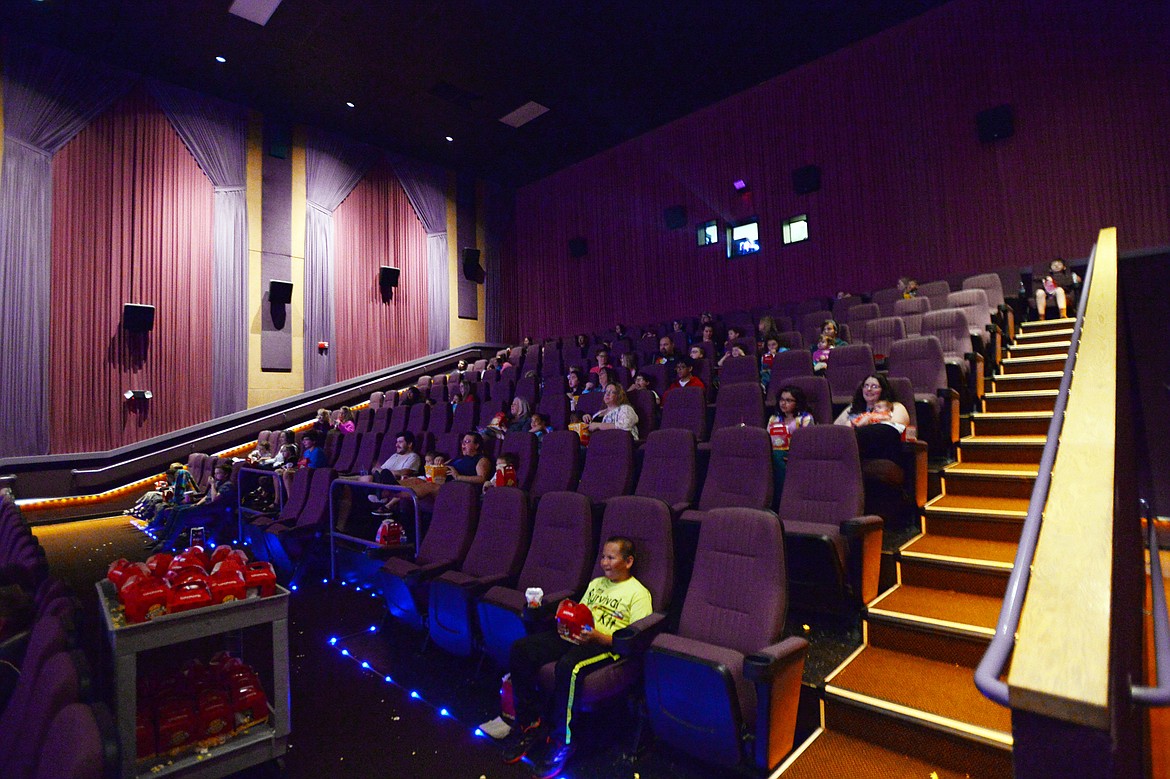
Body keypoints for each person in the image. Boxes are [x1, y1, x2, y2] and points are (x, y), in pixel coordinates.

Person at [500, 537, 653, 777]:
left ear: (628, 561)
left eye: (611, 558)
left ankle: (564, 741)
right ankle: (529, 723)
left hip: (605, 645)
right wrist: (564, 623)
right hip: (577, 636)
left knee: (569, 668)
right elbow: (580, 613)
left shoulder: (639, 593)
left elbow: (635, 638)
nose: (604, 562)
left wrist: (599, 637)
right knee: (522, 649)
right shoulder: (596, 584)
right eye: (603, 556)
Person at [149, 463, 236, 552]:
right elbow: (207, 496)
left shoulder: (228, 485)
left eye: (218, 473)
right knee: (176, 509)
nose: (215, 475)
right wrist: (197, 504)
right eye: (215, 473)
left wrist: (212, 484)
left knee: (182, 513)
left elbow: (214, 499)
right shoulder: (218, 482)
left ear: (226, 474)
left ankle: (167, 543)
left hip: (212, 509)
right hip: (204, 506)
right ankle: (162, 538)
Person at [835, 374, 911, 463]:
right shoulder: (853, 408)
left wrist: (869, 420)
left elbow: (898, 424)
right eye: (866, 386)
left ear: (883, 390)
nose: (869, 389)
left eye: (874, 386)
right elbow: (836, 427)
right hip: (853, 448)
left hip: (881, 447)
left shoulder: (895, 406)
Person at [768, 385, 815, 504]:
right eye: (782, 400)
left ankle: (780, 500)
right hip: (775, 453)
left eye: (788, 400)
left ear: (797, 402)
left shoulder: (805, 419)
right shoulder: (774, 419)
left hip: (796, 454)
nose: (783, 403)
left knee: (777, 457)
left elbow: (809, 442)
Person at [368, 432, 424, 508]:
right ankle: (377, 492)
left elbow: (405, 472)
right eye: (397, 442)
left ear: (409, 444)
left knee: (384, 473)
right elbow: (381, 469)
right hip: (383, 478)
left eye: (400, 442)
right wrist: (377, 470)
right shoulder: (394, 456)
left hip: (398, 482)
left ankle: (380, 494)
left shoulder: (413, 456)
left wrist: (386, 472)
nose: (396, 445)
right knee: (367, 477)